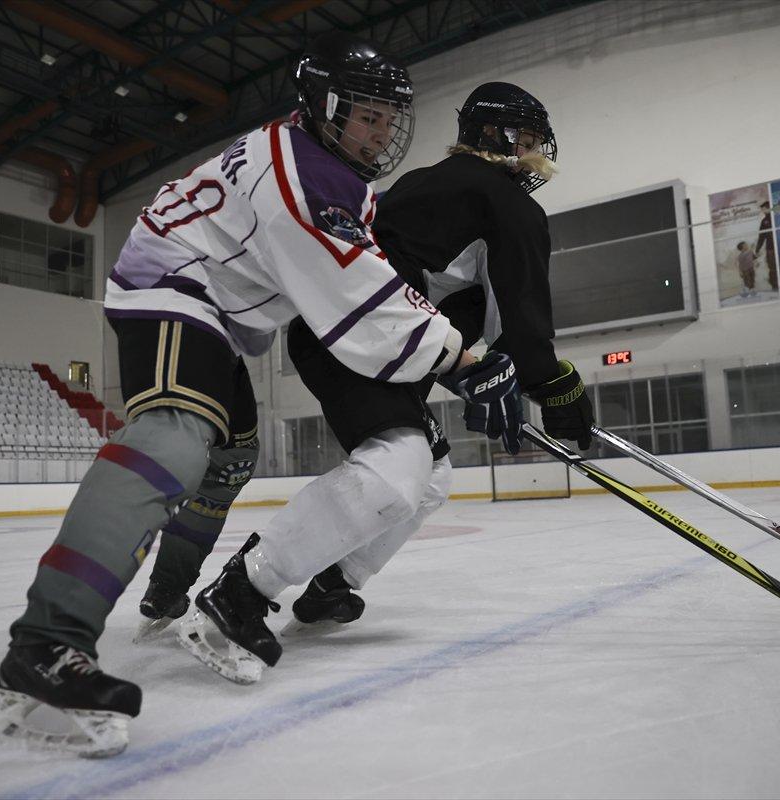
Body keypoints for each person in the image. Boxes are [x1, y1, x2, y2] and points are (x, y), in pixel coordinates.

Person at [0, 31, 523, 757]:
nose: (383, 131)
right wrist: (463, 355)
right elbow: (361, 304)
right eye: (368, 115)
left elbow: (359, 282)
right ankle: (47, 641)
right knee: (176, 437)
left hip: (219, 315)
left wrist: (454, 349)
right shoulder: (306, 179)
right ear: (324, 106)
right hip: (173, 288)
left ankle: (163, 595)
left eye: (390, 118)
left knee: (231, 457)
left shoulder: (321, 166)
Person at [180, 81, 596, 685]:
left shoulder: (431, 183)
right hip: (366, 335)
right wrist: (555, 388)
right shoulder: (506, 202)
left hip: (355, 333)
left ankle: (332, 583)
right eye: (525, 139)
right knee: (399, 467)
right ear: (491, 136)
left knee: (431, 475)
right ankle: (240, 593)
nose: (534, 153)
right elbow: (521, 321)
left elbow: (434, 293)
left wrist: (479, 369)